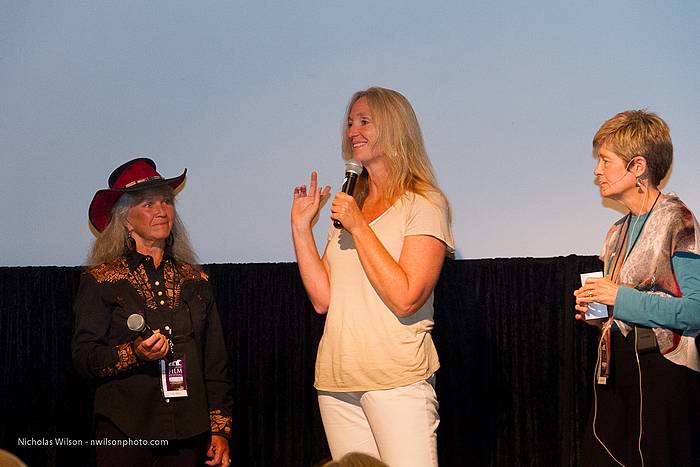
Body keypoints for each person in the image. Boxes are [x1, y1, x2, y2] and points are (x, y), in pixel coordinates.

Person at [291, 87, 454, 466]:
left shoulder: (425, 203)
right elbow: (323, 300)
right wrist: (301, 229)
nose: (352, 132)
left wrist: (359, 225)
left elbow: (406, 297)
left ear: (395, 129)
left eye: (364, 122)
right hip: (336, 380)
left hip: (396, 379)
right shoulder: (351, 205)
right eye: (350, 123)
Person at [72, 158, 233, 467]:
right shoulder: (101, 280)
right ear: (126, 220)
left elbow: (216, 363)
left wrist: (221, 429)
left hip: (190, 430)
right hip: (125, 429)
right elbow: (84, 357)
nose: (161, 211)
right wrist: (134, 353)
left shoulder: (195, 280)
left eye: (166, 202)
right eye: (148, 204)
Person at [573, 110, 700, 466]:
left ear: (638, 166)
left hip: (662, 375)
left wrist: (620, 298)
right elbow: (621, 308)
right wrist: (597, 311)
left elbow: (694, 312)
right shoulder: (616, 231)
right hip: (618, 372)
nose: (597, 170)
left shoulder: (678, 219)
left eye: (605, 160)